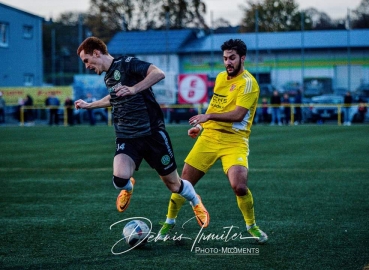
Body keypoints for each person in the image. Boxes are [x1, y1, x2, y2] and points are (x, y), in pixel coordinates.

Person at [74, 36, 209, 229]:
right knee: (119, 179)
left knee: (173, 185)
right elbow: (113, 97)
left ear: (97, 53)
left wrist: (134, 89)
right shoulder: (108, 76)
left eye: (86, 60)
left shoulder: (128, 64)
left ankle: (195, 201)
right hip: (127, 136)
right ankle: (128, 188)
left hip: (152, 134)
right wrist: (90, 105)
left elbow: (158, 73)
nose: (86, 65)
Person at [158, 39, 268, 243]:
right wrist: (200, 127)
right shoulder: (220, 78)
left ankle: (251, 226)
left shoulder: (249, 83)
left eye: (232, 58)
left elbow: (237, 115)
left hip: (234, 141)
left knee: (239, 187)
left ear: (242, 58)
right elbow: (214, 107)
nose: (228, 62)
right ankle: (168, 224)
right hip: (209, 138)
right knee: (182, 184)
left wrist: (207, 118)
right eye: (225, 58)